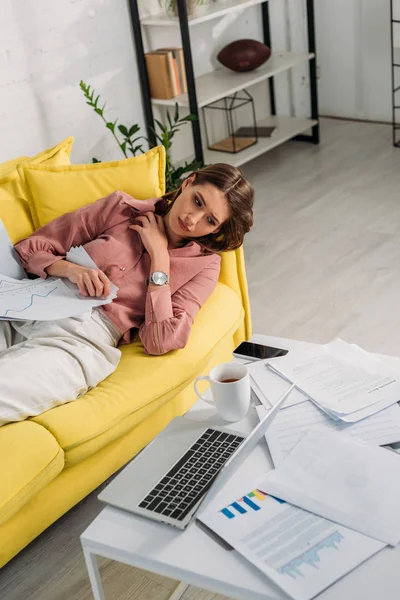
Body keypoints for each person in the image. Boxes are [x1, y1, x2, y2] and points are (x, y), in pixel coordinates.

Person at [0, 163, 254, 425]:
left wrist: (159, 258)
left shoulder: (205, 266)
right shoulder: (120, 208)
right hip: (30, 305)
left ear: (216, 230)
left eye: (210, 220)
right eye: (197, 201)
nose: (193, 219)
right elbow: (31, 248)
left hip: (81, 340)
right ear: (188, 184)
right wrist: (70, 270)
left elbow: (161, 339)